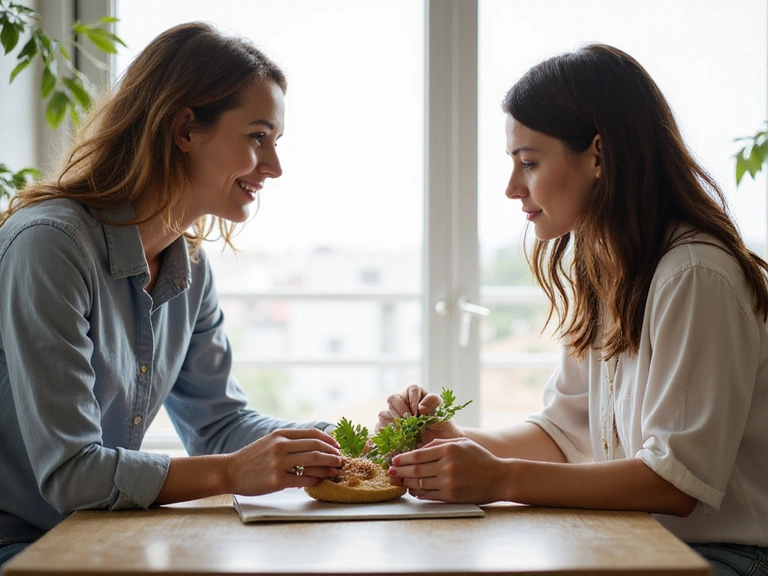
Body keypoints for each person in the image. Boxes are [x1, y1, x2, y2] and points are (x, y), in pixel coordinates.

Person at [381, 44, 768, 576]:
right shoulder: (606, 268)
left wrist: (497, 479)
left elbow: (674, 482)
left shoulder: (694, 274)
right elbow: (564, 433)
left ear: (599, 156)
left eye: (530, 163)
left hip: (728, 556)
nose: (513, 188)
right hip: (640, 542)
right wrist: (451, 445)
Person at [0, 22, 344, 570]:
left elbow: (220, 427)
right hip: (24, 549)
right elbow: (71, 473)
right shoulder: (51, 246)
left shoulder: (190, 268)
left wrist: (344, 442)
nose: (274, 167)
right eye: (258, 137)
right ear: (185, 128)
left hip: (96, 541)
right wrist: (233, 472)